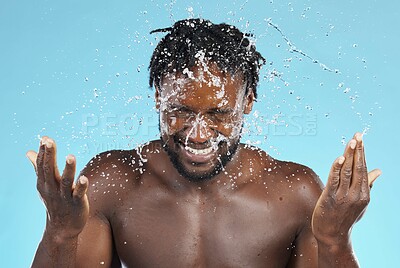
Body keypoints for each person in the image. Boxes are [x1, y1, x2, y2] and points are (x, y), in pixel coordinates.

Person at [27, 18, 381, 267]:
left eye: (219, 114)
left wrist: (335, 240)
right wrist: (59, 233)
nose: (198, 135)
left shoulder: (294, 192)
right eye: (179, 111)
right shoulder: (113, 182)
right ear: (157, 100)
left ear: (248, 102)